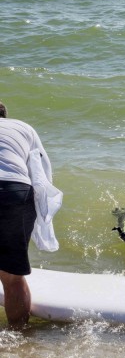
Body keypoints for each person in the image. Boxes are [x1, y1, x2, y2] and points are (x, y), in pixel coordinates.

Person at [0, 101, 62, 329]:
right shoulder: (23, 128)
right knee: (12, 277)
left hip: (14, 189)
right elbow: (41, 171)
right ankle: (18, 335)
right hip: (16, 190)